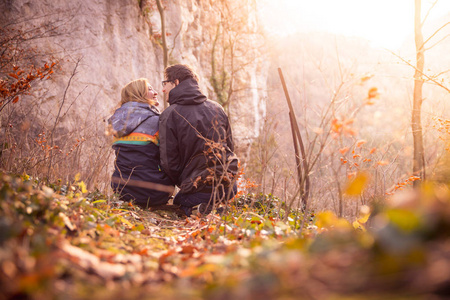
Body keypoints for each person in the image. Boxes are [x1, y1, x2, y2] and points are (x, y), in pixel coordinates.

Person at [159, 64, 239, 216]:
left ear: (176, 82)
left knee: (179, 203)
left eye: (165, 84)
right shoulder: (217, 108)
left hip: (197, 189)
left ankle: (199, 208)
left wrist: (186, 183)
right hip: (228, 186)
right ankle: (216, 206)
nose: (163, 90)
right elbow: (230, 147)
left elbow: (168, 162)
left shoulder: (170, 114)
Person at [109, 78, 174, 209]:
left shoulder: (115, 121)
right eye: (150, 89)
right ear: (138, 94)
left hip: (121, 190)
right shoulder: (157, 121)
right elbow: (170, 159)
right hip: (153, 192)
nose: (156, 92)